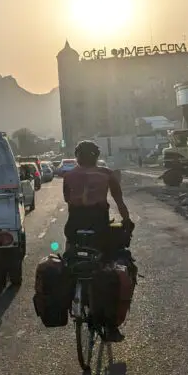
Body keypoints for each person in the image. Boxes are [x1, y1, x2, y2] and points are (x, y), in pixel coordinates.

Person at [63, 140, 133, 342]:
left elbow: (68, 199)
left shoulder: (69, 176)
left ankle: (74, 295)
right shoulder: (106, 174)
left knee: (71, 261)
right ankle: (110, 326)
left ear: (77, 157)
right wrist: (127, 222)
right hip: (99, 229)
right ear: (96, 156)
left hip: (74, 228)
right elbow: (119, 202)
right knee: (108, 267)